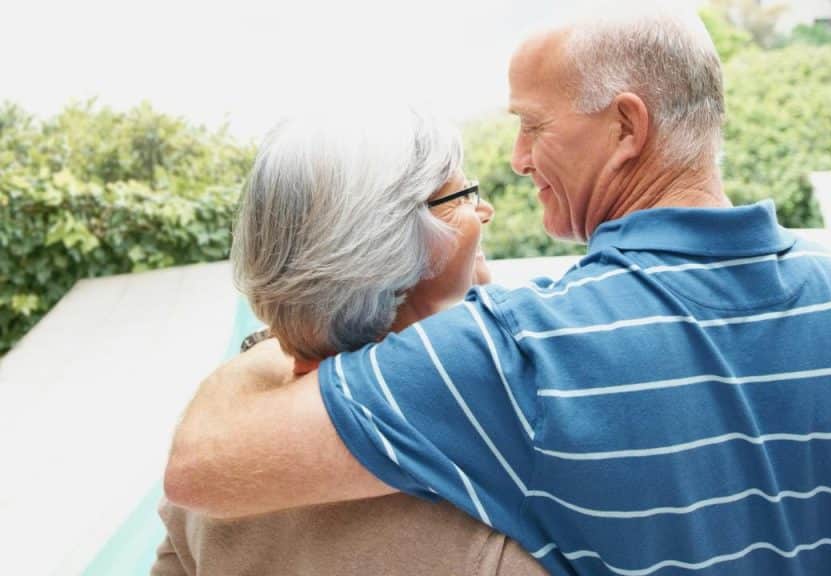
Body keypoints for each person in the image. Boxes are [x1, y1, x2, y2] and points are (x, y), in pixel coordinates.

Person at [164, 6, 831, 576]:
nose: (515, 159)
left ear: (627, 128)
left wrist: (278, 331)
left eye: (533, 125)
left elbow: (202, 466)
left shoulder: (512, 357)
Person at [152, 110, 546, 576]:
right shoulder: (498, 478)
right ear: (387, 245)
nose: (485, 211)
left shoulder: (225, 462)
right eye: (460, 197)